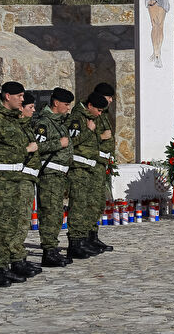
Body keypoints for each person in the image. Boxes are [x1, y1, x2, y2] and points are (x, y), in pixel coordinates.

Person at [0, 81, 42, 287]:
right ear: (7, 96)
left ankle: (7, 264)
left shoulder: (15, 120)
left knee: (13, 224)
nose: (22, 100)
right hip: (1, 180)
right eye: (19, 96)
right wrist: (25, 150)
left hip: (17, 178)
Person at [34, 87, 75, 266]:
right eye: (66, 104)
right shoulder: (44, 123)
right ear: (56, 103)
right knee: (50, 213)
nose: (68, 108)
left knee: (56, 213)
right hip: (49, 173)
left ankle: (52, 248)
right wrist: (58, 143)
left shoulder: (58, 121)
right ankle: (49, 251)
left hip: (59, 174)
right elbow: (36, 147)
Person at [66, 92, 109, 259]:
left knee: (88, 205)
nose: (99, 113)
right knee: (78, 206)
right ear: (89, 105)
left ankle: (84, 240)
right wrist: (90, 131)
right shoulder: (77, 118)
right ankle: (75, 243)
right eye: (98, 110)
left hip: (89, 167)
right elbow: (71, 141)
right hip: (78, 169)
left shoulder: (89, 116)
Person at [90, 82, 116, 253]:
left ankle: (93, 236)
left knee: (98, 203)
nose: (111, 101)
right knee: (90, 203)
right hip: (92, 163)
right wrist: (101, 136)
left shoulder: (103, 113)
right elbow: (84, 138)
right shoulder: (90, 114)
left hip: (101, 163)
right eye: (108, 98)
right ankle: (84, 239)